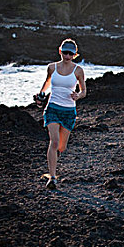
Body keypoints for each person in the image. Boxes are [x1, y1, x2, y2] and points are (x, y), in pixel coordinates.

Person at [35, 39, 86, 189]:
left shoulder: (78, 70)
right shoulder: (52, 67)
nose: (67, 55)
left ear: (75, 55)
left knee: (61, 147)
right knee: (54, 141)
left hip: (69, 111)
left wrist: (78, 95)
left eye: (71, 53)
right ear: (60, 51)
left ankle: (54, 161)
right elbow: (47, 82)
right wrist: (41, 94)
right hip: (52, 108)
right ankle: (52, 177)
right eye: (65, 52)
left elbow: (84, 91)